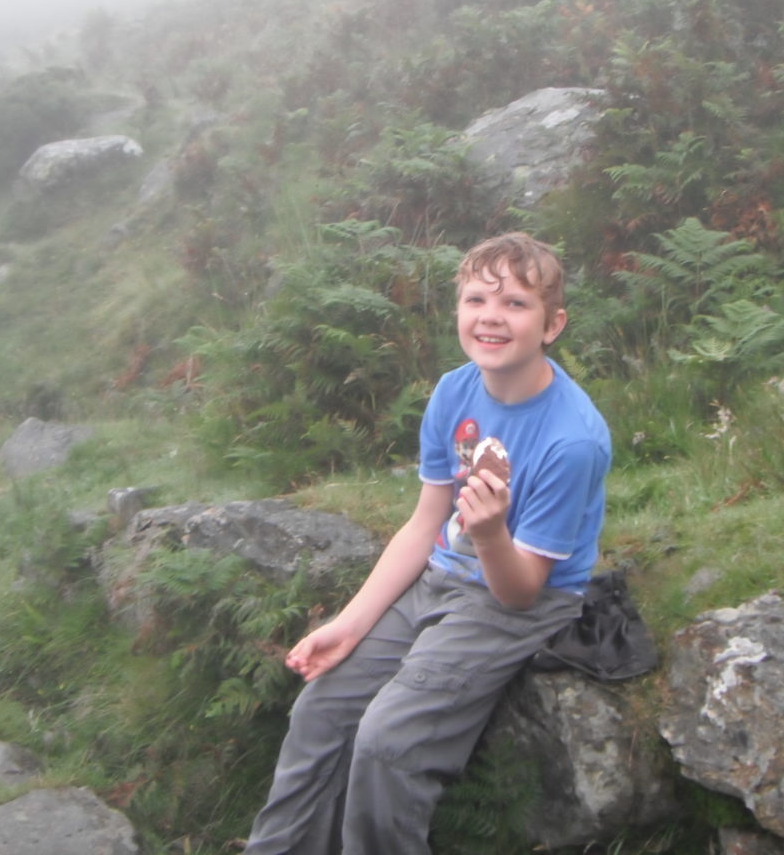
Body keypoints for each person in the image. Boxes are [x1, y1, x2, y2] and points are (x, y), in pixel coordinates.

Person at [244, 232, 611, 855]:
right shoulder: (454, 392)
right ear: (459, 312)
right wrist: (351, 624)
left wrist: (491, 534)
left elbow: (523, 593)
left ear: (553, 325)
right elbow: (425, 524)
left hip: (516, 598)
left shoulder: (571, 440)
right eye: (475, 300)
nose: (491, 316)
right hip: (441, 577)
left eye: (516, 304)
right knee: (321, 709)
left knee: (389, 741)